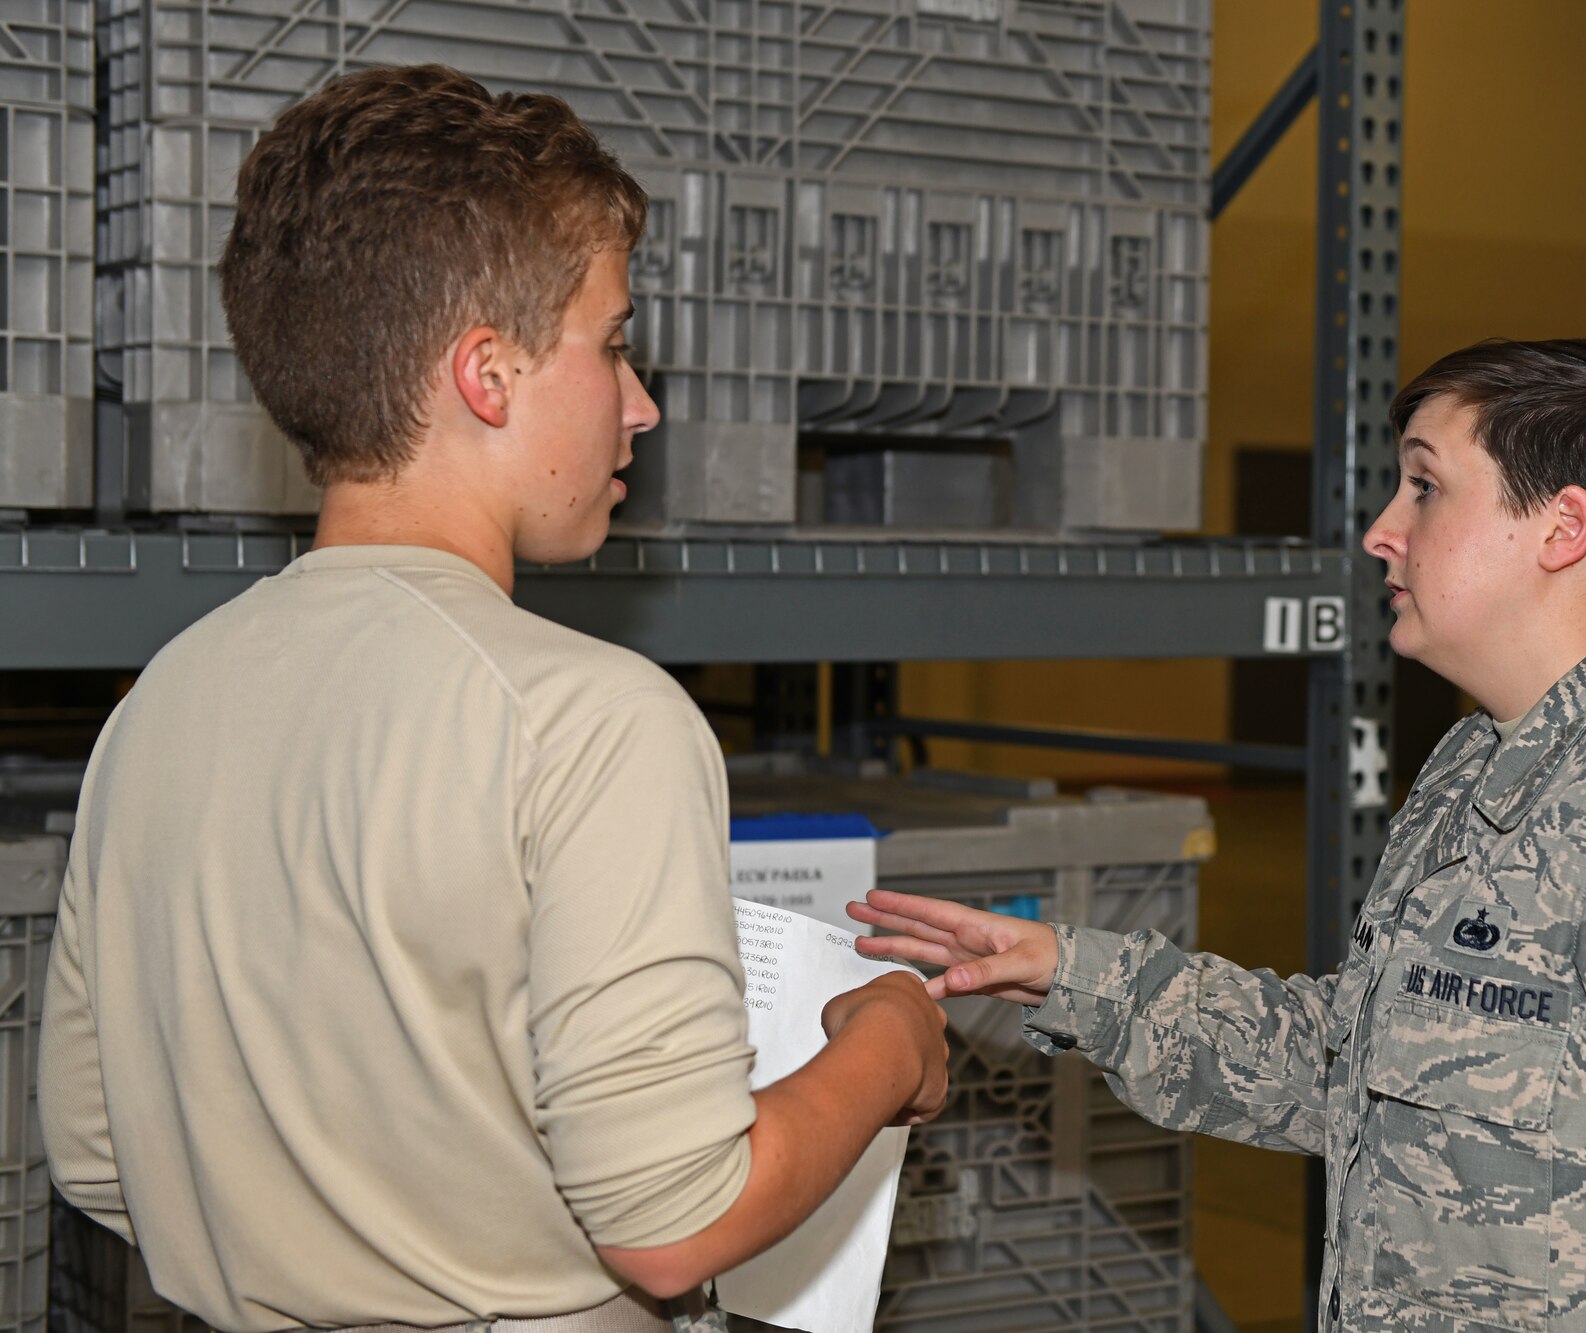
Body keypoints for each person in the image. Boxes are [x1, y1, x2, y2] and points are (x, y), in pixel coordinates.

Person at [39, 65, 948, 1333]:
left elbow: (95, 1151)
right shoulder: (590, 721)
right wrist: (892, 1041)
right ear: (487, 374)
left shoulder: (159, 708)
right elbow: (678, 1222)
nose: (641, 406)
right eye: (613, 343)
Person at [852, 339, 1586, 1331]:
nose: (1379, 529)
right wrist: (1069, 975)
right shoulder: (1473, 763)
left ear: (1560, 529)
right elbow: (1352, 1061)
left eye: (1424, 487)